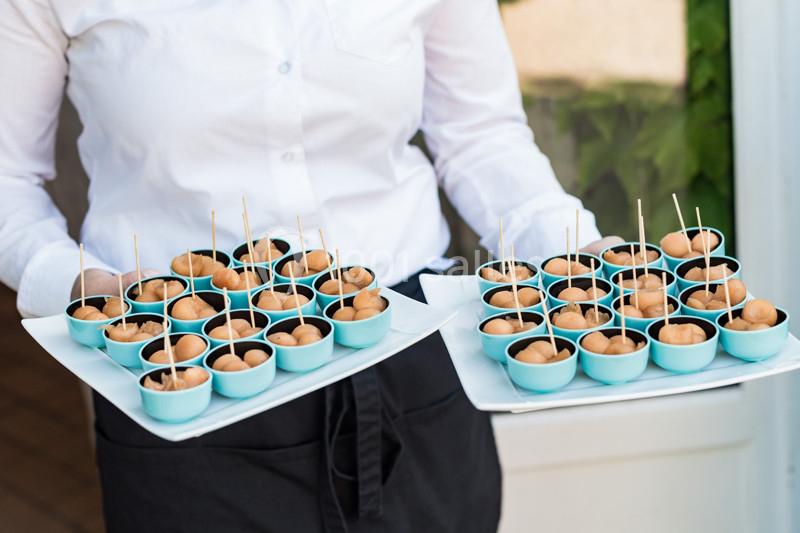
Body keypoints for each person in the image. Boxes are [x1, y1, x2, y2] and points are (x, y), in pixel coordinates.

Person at [0, 1, 620, 531]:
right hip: (181, 367)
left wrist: (573, 249)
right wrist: (80, 285)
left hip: (409, 353)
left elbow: (481, 135)